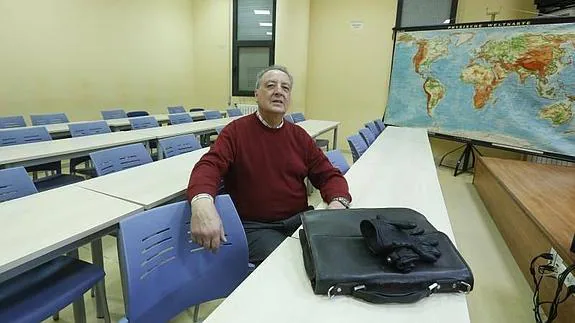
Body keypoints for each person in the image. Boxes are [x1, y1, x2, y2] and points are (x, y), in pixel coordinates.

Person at [187, 65, 351, 265]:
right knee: (294, 265)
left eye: (285, 88)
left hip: (298, 219)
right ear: (257, 94)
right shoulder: (235, 132)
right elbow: (208, 166)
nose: (279, 92)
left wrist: (337, 201)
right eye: (271, 85)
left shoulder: (299, 136)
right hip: (256, 227)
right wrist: (202, 202)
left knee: (337, 253)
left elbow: (328, 175)